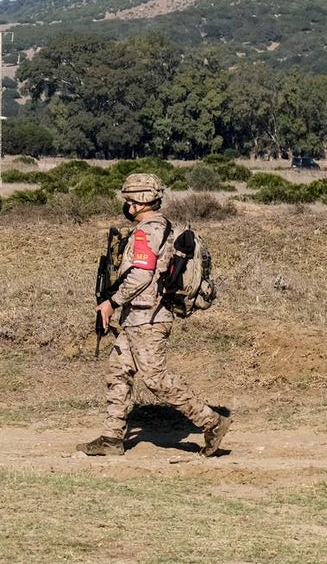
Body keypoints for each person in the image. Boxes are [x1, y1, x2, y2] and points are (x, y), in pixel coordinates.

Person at [78, 173, 231, 457]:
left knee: (155, 379)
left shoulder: (147, 232)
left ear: (139, 202)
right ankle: (112, 438)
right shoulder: (161, 227)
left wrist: (112, 301)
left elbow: (140, 276)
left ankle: (211, 422)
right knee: (118, 370)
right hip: (138, 316)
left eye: (129, 201)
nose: (126, 206)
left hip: (148, 318)